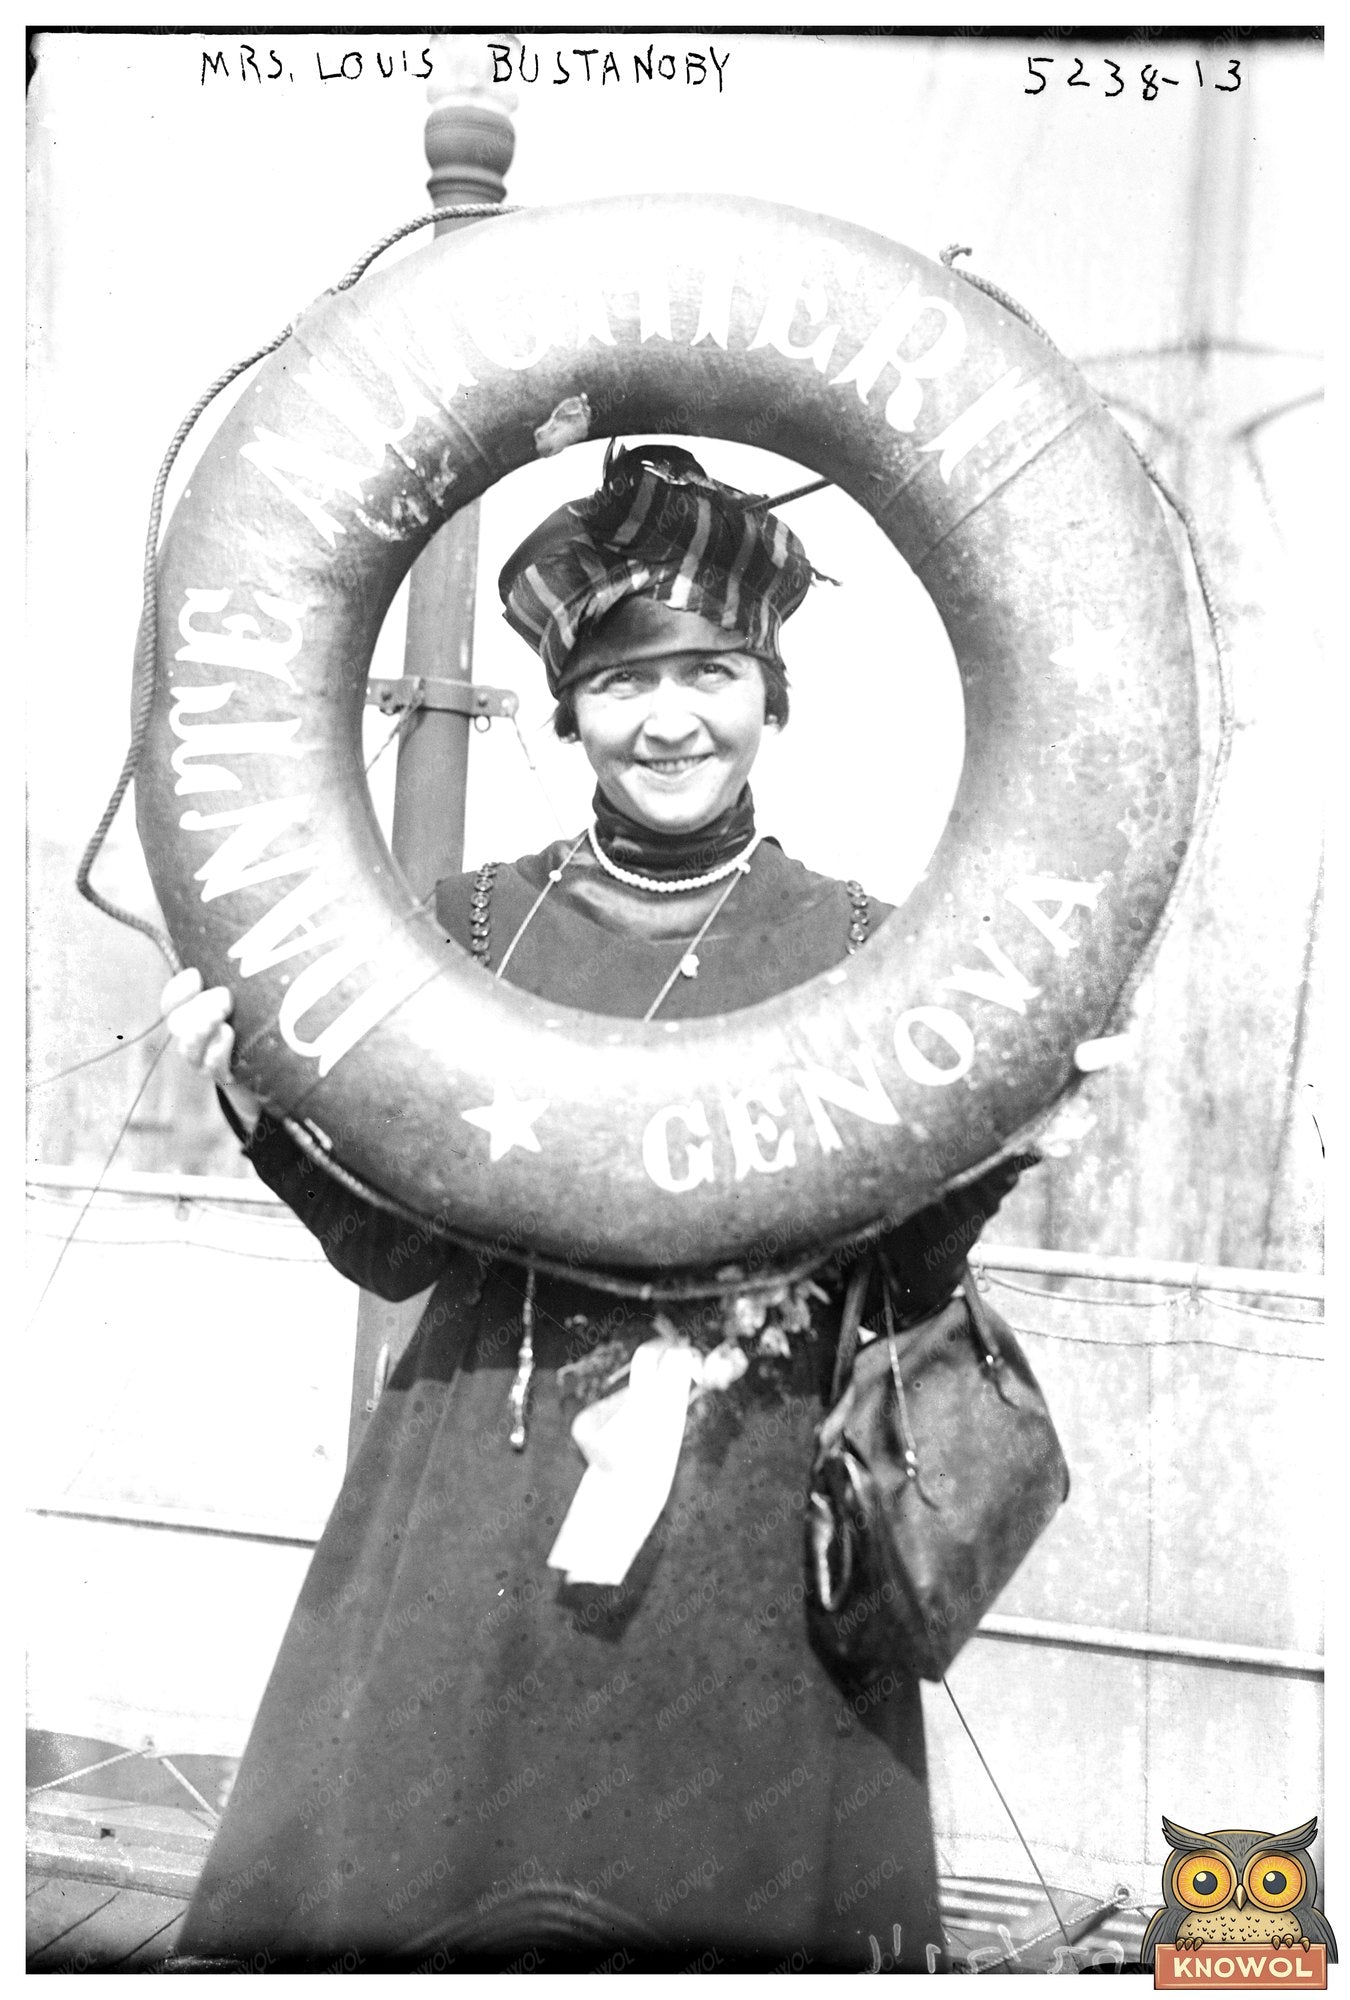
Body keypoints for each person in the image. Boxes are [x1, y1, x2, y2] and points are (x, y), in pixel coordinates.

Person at [164, 445, 1032, 1972]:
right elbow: (391, 1245)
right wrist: (254, 1105)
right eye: (624, 680)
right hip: (472, 1519)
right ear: (567, 708)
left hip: (747, 1554)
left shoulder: (860, 945)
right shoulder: (472, 926)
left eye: (710, 670)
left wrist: (1003, 1141)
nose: (672, 716)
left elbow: (893, 1293)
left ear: (772, 694)